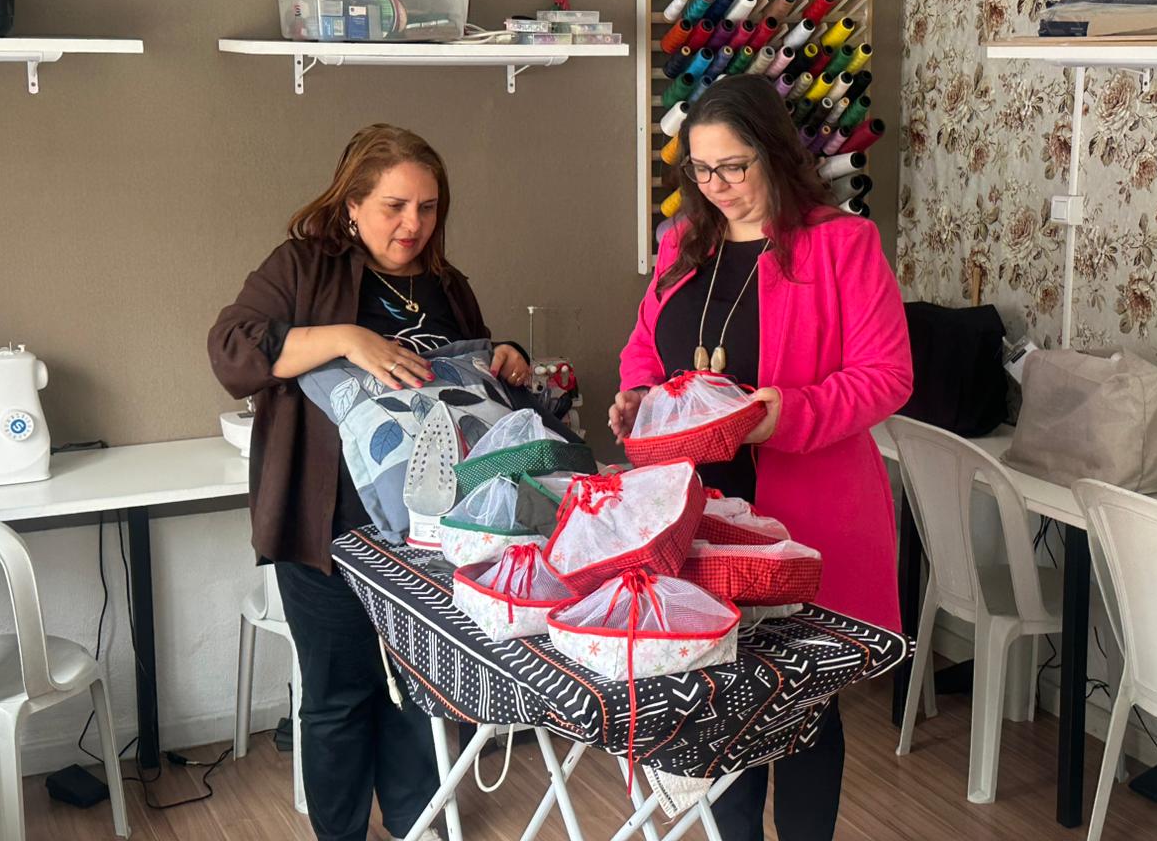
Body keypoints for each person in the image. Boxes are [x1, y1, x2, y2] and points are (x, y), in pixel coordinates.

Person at [609, 74, 912, 841]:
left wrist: (784, 415)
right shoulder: (684, 242)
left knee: (802, 709)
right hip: (698, 519)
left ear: (775, 154)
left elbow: (887, 376)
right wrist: (638, 397)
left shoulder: (842, 245)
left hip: (802, 522)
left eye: (733, 167)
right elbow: (645, 348)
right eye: (701, 170)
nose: (716, 186)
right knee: (718, 706)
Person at [208, 123, 530, 841]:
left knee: (422, 686)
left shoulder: (447, 285)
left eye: (428, 207)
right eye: (394, 206)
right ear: (352, 204)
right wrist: (346, 339)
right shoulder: (302, 268)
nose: (413, 224)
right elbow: (231, 349)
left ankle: (417, 824)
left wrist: (507, 354)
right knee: (338, 696)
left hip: (432, 528)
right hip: (327, 527)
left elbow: (466, 376)